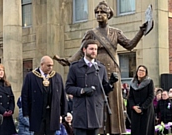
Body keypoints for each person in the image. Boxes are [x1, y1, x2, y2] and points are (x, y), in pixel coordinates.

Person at [54, 1, 150, 134]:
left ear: (108, 14)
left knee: (114, 106)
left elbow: (130, 45)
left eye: (102, 12)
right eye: (97, 12)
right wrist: (69, 61)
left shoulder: (116, 33)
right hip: (95, 73)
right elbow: (81, 51)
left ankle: (116, 131)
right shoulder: (91, 33)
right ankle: (98, 130)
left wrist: (141, 31)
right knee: (97, 103)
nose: (99, 15)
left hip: (113, 73)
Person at [65, 39, 118, 135]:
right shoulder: (75, 67)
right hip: (81, 111)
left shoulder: (101, 68)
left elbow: (104, 89)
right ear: (84, 50)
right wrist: (82, 90)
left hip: (95, 111)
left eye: (95, 49)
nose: (94, 51)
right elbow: (68, 87)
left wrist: (111, 83)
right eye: (91, 49)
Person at [21, 56, 67, 135]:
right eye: (48, 65)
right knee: (38, 132)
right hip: (37, 111)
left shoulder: (57, 77)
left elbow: (62, 95)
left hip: (52, 112)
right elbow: (25, 95)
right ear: (42, 65)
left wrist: (63, 112)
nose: (51, 67)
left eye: (52, 65)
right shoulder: (31, 77)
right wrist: (26, 112)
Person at [128, 65, 155, 135]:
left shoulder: (149, 82)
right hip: (135, 110)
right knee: (135, 130)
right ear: (137, 72)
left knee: (145, 130)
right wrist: (134, 107)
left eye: (143, 71)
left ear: (146, 73)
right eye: (139, 70)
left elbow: (151, 96)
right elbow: (130, 97)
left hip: (146, 110)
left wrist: (142, 108)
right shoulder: (132, 83)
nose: (141, 72)